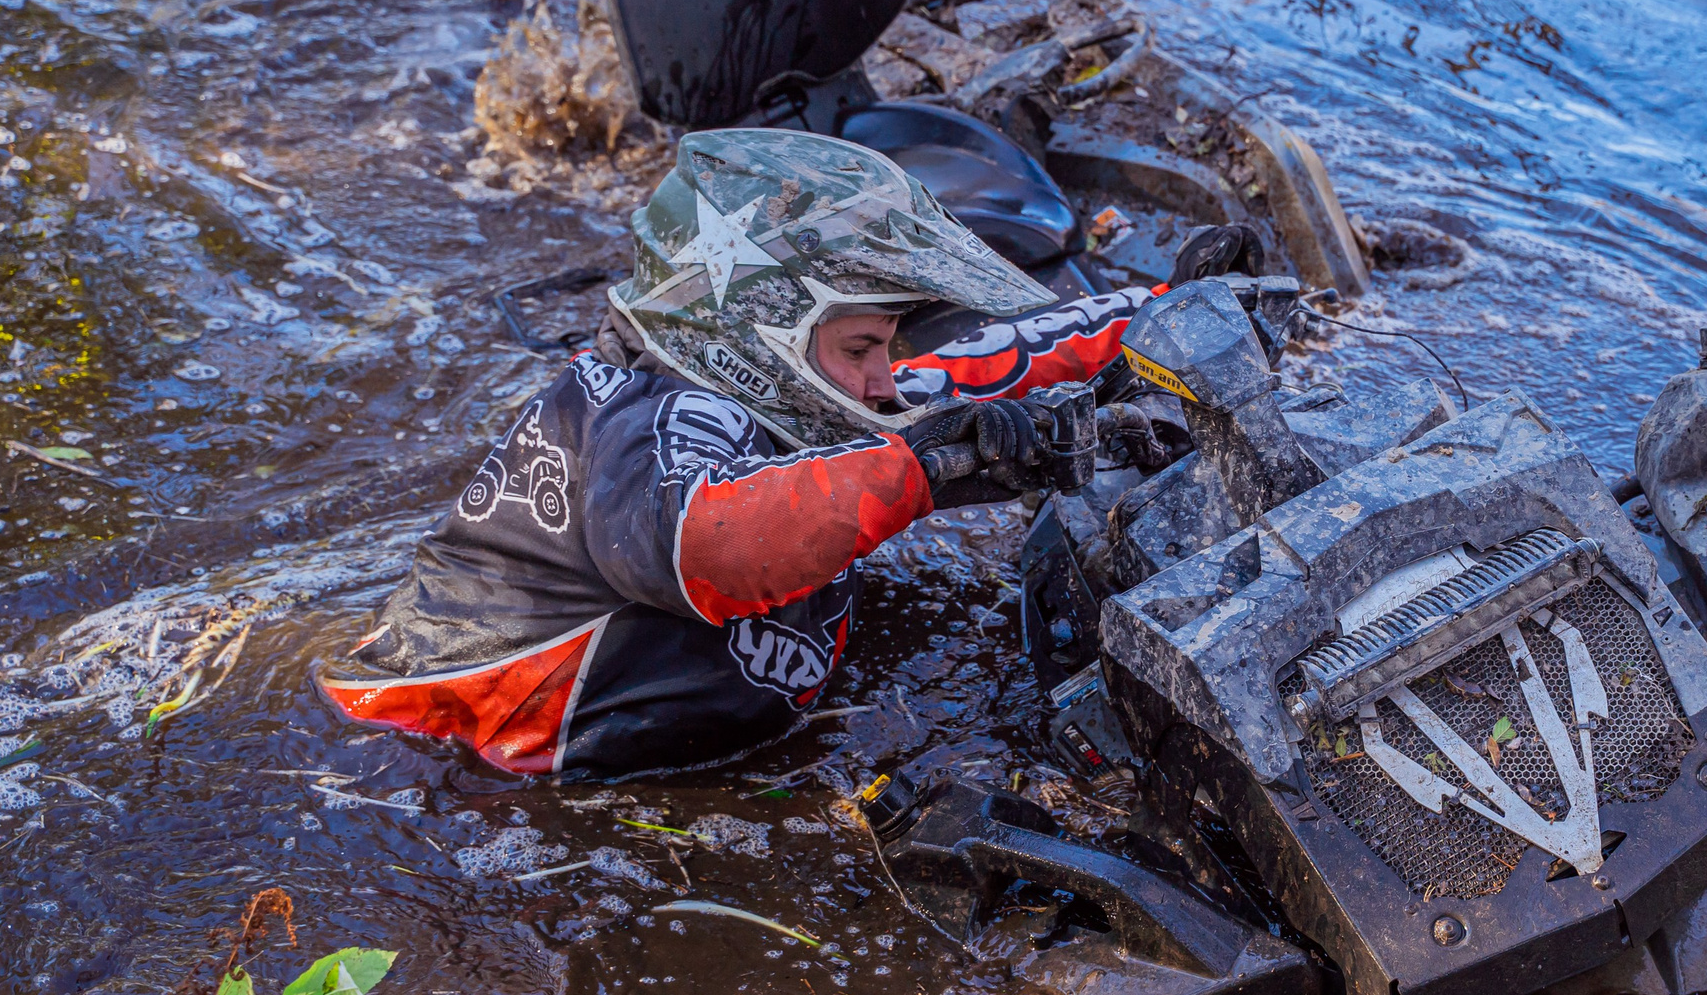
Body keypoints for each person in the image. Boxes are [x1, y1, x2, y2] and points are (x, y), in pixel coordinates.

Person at [319, 128, 1253, 779]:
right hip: (438, 777)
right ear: (755, 332)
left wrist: (1166, 309)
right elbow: (708, 545)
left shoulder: (798, 390)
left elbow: (972, 372)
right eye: (861, 349)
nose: (885, 380)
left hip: (649, 747)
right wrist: (928, 469)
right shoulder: (637, 426)